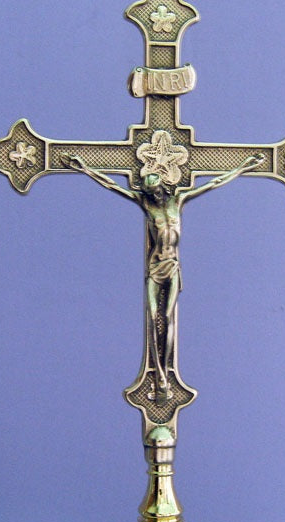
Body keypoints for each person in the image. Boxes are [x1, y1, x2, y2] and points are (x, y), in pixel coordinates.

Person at [61, 151, 264, 404]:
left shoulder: (178, 201)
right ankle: (159, 375)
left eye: (157, 190)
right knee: (152, 317)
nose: (155, 195)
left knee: (167, 318)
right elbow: (112, 185)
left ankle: (164, 374)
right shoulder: (146, 205)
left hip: (173, 267)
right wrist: (84, 168)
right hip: (155, 269)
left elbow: (214, 182)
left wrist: (243, 167)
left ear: (163, 187)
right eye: (151, 192)